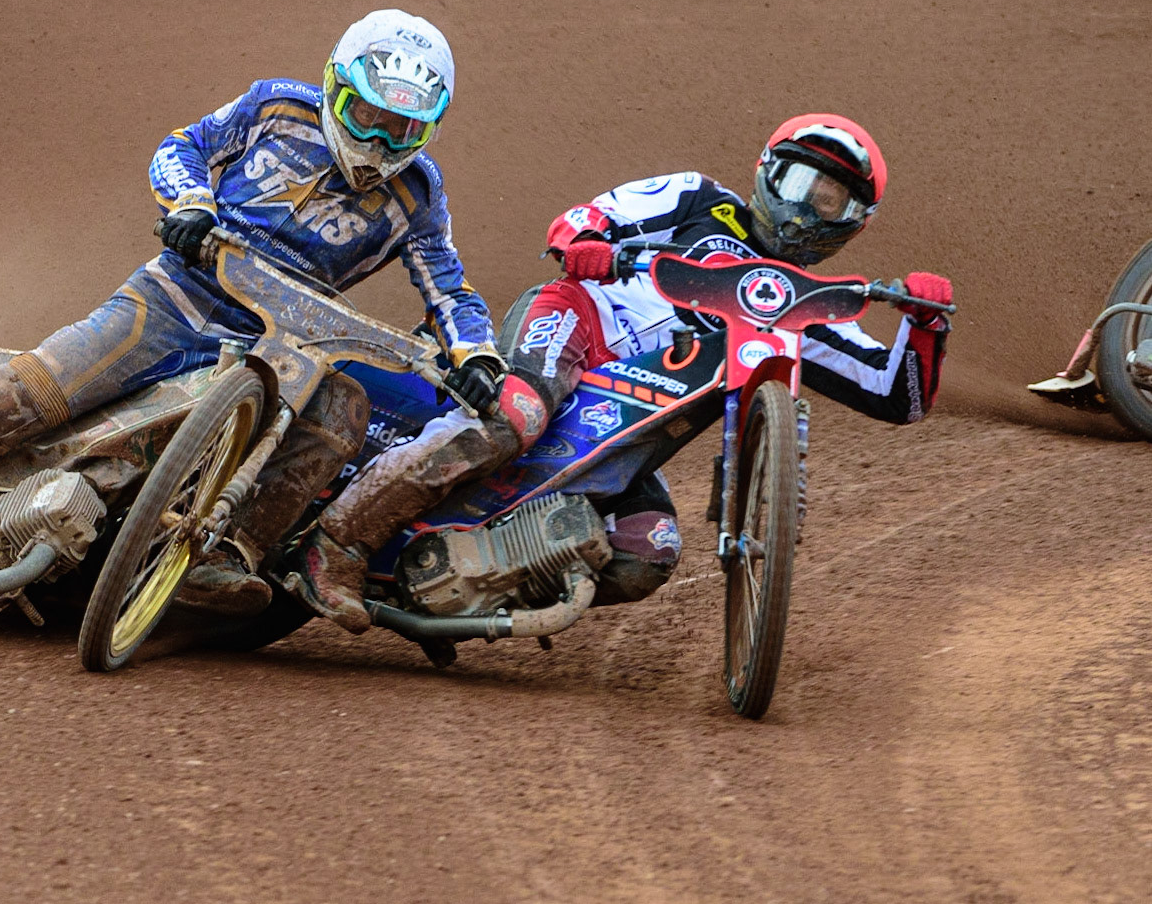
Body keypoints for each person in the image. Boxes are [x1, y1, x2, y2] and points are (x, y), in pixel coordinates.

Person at [0, 9, 506, 615]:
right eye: (368, 117)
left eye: (402, 131)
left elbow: (450, 287)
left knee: (345, 409)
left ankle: (224, 552)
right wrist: (189, 205)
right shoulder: (274, 107)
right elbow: (182, 147)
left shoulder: (419, 193)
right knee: (41, 388)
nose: (379, 143)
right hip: (179, 295)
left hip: (283, 342)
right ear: (334, 86)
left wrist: (477, 355)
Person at [292, 114, 953, 632]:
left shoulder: (809, 307)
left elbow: (899, 393)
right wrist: (588, 245)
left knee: (650, 548)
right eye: (797, 183)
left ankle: (461, 593)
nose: (805, 207)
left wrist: (928, 322)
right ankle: (339, 542)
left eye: (828, 198)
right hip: (580, 322)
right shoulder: (697, 200)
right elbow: (586, 218)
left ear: (854, 223)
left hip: (635, 424)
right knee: (514, 416)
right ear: (765, 173)